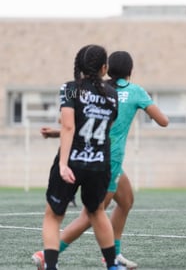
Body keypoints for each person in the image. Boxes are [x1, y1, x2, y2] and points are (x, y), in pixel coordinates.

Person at [33, 50, 169, 269]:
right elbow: (164, 121)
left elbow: (79, 124)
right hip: (106, 159)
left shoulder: (93, 89)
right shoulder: (127, 92)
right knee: (92, 214)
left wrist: (57, 133)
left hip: (96, 155)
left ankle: (114, 254)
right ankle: (46, 254)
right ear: (129, 71)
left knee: (125, 201)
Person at [36, 44, 119, 270]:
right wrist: (57, 133)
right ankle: (112, 265)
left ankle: (50, 266)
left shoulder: (72, 88)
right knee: (96, 211)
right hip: (100, 164)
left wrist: (63, 164)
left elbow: (70, 127)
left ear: (79, 65)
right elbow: (94, 129)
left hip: (72, 162)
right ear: (104, 68)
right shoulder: (112, 94)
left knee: (53, 216)